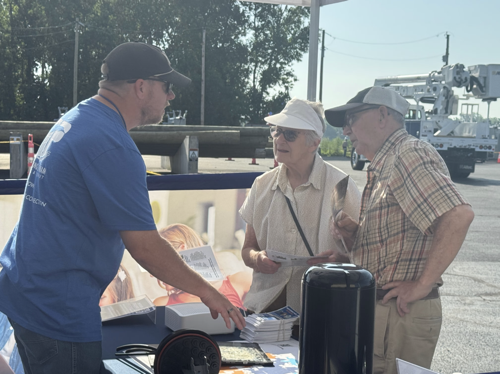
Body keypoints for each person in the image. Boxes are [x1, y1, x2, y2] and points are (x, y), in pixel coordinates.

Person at [0, 42, 245, 374]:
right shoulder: (112, 144)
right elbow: (145, 247)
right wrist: (207, 292)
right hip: (58, 310)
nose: (171, 97)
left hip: (26, 292)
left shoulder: (78, 117)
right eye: (167, 86)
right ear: (141, 87)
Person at [322, 86, 474, 374]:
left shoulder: (408, 153)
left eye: (351, 119)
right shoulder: (386, 164)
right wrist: (356, 235)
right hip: (388, 314)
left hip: (398, 314)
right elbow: (401, 240)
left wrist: (422, 284)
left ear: (382, 115)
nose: (345, 130)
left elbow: (458, 215)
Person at [239, 98, 361, 323]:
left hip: (321, 313)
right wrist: (258, 259)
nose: (280, 139)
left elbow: (365, 254)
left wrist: (341, 261)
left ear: (314, 143)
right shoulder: (261, 185)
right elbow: (248, 249)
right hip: (265, 310)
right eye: (277, 131)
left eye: (290, 134)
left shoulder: (341, 186)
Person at [153, 223, 251, 309]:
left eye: (160, 263)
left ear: (181, 252)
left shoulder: (240, 282)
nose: (152, 274)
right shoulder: (161, 304)